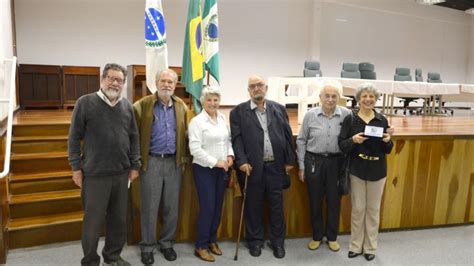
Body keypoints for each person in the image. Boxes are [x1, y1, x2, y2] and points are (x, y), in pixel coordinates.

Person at [68, 63, 141, 266]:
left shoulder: (126, 106)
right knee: (93, 223)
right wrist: (76, 168)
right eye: (111, 78)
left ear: (124, 83)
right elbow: (73, 138)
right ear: (103, 79)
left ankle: (113, 256)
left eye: (119, 80)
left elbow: (134, 137)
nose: (115, 83)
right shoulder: (85, 103)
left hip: (121, 174)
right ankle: (90, 260)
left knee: (118, 221)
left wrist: (135, 165)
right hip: (95, 174)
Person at [230, 74, 296, 259]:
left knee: (276, 207)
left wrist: (290, 160)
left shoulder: (279, 109)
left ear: (266, 88)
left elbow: (287, 135)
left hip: (276, 167)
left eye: (260, 85)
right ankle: (255, 241)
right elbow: (237, 140)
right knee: (253, 206)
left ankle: (278, 242)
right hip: (252, 168)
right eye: (253, 86)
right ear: (248, 90)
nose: (257, 88)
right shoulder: (238, 112)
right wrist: (241, 161)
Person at [133, 69, 188, 265]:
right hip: (152, 162)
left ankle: (166, 244)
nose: (166, 85)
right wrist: (136, 161)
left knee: (171, 207)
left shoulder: (181, 106)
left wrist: (183, 160)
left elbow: (185, 134)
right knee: (149, 207)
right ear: (156, 83)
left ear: (175, 85)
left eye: (170, 82)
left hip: (174, 163)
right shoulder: (142, 105)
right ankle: (147, 247)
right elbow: (134, 135)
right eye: (163, 81)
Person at [338, 83, 393, 261]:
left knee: (373, 210)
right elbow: (342, 145)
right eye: (364, 96)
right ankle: (355, 245)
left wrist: (388, 140)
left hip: (378, 170)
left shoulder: (382, 120)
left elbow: (388, 149)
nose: (368, 99)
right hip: (357, 170)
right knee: (358, 210)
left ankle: (370, 247)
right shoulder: (350, 119)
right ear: (358, 99)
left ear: (376, 100)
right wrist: (353, 140)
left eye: (372, 97)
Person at [296, 79, 351, 252]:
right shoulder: (310, 115)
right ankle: (317, 236)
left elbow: (356, 134)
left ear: (339, 98)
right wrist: (302, 167)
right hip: (314, 162)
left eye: (334, 96)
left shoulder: (346, 114)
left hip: (336, 163)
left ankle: (332, 237)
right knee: (315, 201)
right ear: (320, 97)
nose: (330, 99)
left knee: (334, 201)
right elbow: (301, 140)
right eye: (327, 96)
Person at [188, 86, 234, 262]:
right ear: (202, 102)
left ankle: (212, 240)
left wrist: (230, 155)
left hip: (222, 170)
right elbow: (195, 149)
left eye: (216, 100)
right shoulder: (197, 122)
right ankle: (200, 245)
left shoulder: (222, 118)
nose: (213, 103)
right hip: (204, 170)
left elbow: (228, 140)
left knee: (217, 207)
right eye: (209, 100)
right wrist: (216, 162)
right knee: (207, 208)